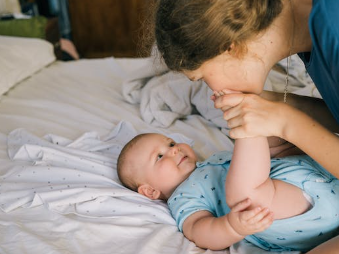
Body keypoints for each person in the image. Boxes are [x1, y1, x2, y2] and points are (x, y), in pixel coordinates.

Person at [152, 0, 339, 182]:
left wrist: (286, 123)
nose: (212, 89)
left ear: (229, 48)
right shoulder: (309, 29)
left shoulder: (333, 27)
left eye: (201, 78)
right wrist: (280, 107)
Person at [116, 104, 339, 252]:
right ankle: (250, 124)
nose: (174, 150)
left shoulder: (213, 160)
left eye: (171, 143)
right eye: (160, 156)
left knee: (270, 141)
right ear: (150, 191)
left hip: (322, 171)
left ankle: (265, 122)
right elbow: (199, 231)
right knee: (248, 197)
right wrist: (232, 227)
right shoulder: (182, 198)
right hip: (301, 211)